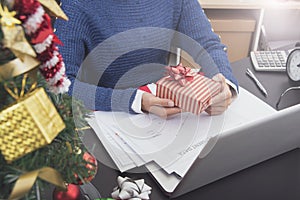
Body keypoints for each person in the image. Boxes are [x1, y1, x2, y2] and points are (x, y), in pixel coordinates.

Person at [54, 0, 238, 118]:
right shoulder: (76, 6)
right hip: (106, 113)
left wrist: (224, 84)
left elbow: (209, 45)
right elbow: (59, 86)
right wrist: (136, 100)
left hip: (165, 111)